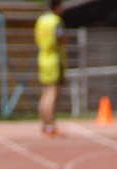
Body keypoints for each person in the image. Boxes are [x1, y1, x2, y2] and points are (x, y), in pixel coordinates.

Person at [35, 0, 67, 138]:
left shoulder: (41, 20)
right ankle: (50, 126)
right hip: (54, 59)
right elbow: (60, 38)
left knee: (45, 93)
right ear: (57, 7)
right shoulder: (56, 21)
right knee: (52, 94)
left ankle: (44, 125)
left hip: (43, 57)